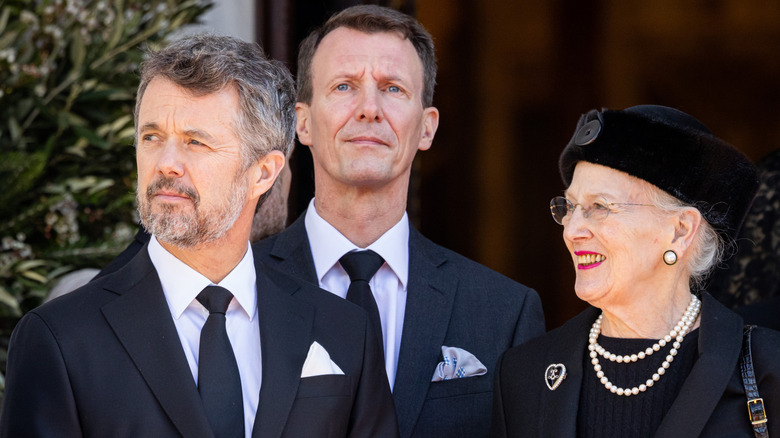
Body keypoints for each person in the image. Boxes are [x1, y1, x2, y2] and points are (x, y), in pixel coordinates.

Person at [0, 34, 397, 437]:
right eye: (151, 137)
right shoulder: (60, 339)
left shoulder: (344, 330)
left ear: (263, 172)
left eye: (195, 142)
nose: (166, 164)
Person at [254, 5, 545, 438]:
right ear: (303, 123)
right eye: (344, 86)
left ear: (426, 128)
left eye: (392, 88)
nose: (369, 109)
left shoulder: (505, 312)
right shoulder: (238, 287)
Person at [491, 105, 780, 437]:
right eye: (569, 207)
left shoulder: (767, 369)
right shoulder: (522, 374)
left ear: (680, 231)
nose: (572, 231)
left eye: (599, 207)